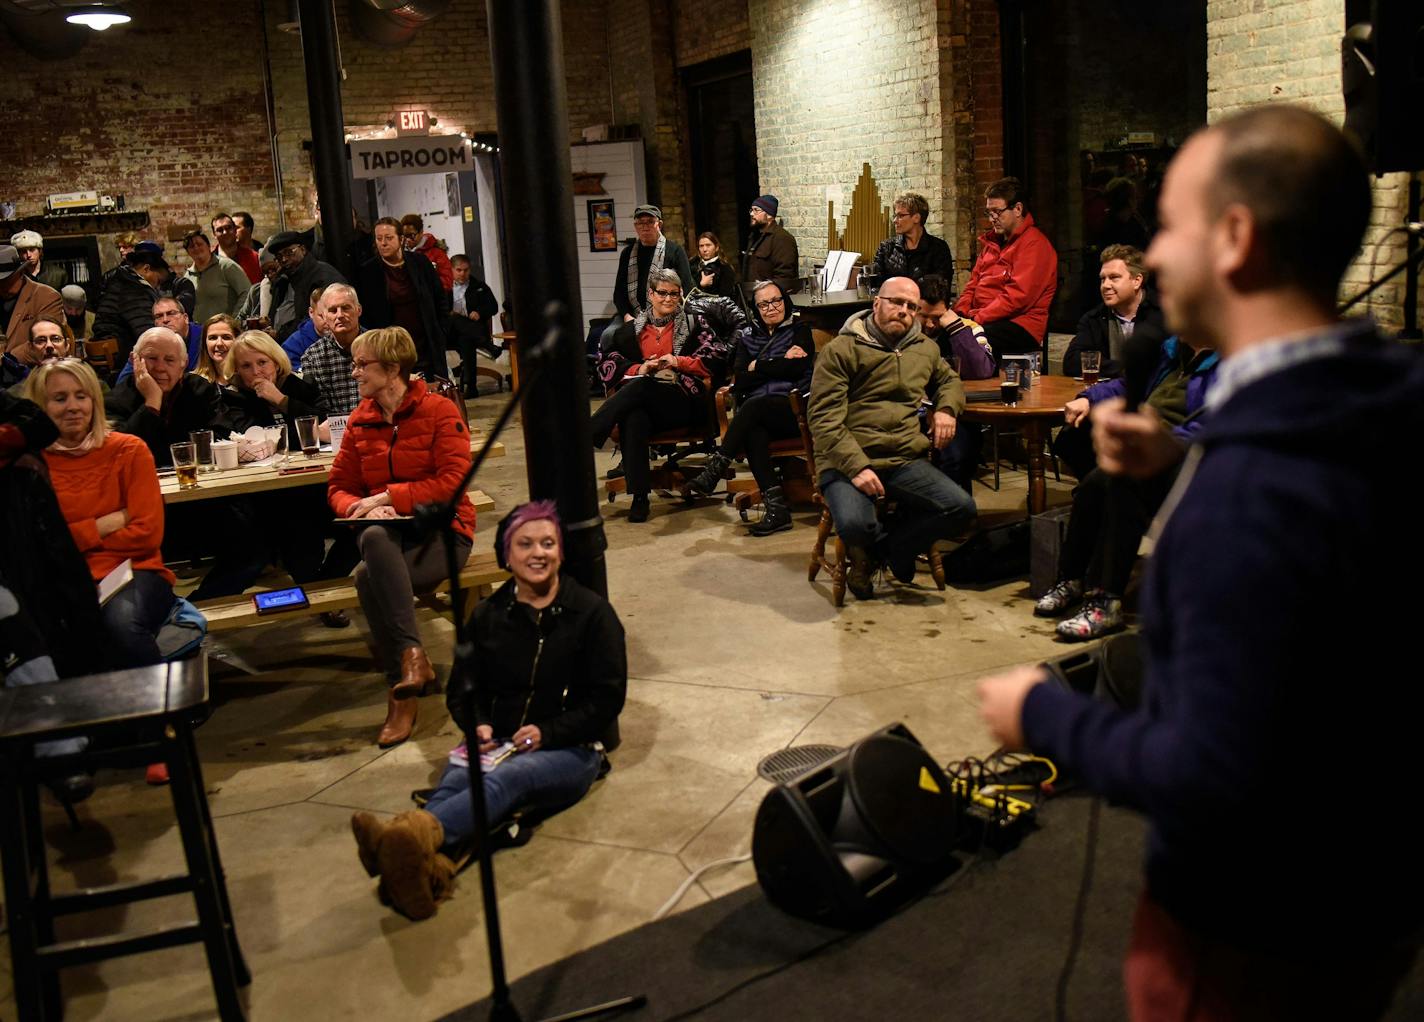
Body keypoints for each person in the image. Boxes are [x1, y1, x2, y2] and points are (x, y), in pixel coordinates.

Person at [978, 105, 1424, 1019]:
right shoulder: (1382, 398)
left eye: (1169, 226)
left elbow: (1211, 776)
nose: (1150, 255)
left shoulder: (1251, 497)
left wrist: (1045, 719)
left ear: (1233, 238)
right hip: (1370, 896)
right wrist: (1181, 458)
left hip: (1252, 936)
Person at [349, 500, 626, 921]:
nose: (538, 553)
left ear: (561, 552)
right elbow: (463, 689)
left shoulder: (591, 614)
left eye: (548, 543)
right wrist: (476, 722)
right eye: (525, 544)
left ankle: (399, 838)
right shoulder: (487, 616)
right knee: (452, 790)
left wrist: (548, 733)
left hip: (571, 750)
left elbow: (606, 699)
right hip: (493, 741)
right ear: (507, 555)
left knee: (502, 783)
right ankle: (421, 877)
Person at [327, 327, 477, 748]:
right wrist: (357, 507)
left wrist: (391, 497)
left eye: (362, 365)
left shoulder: (438, 411)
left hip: (444, 535)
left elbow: (452, 482)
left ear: (393, 368)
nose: (354, 372)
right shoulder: (361, 419)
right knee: (373, 536)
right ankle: (410, 669)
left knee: (364, 576)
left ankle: (404, 681)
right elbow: (338, 485)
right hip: (390, 540)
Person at [1037, 333, 1219, 638]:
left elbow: (1213, 423)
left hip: (1190, 458)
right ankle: (1072, 578)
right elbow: (1126, 384)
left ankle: (1105, 601)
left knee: (1123, 483)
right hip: (1149, 445)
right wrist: (1088, 397)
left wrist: (1160, 444)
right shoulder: (1173, 351)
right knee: (1094, 484)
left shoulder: (1230, 361)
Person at [807, 275, 976, 599]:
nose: (903, 311)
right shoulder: (841, 350)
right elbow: (823, 419)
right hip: (845, 461)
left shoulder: (924, 349)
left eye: (911, 306)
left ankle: (883, 553)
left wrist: (946, 410)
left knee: (961, 509)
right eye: (896, 302)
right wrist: (856, 466)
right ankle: (885, 546)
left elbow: (950, 382)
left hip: (901, 458)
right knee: (856, 526)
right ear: (876, 304)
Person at [28, 359, 175, 667]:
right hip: (62, 580)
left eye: (81, 396)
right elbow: (37, 546)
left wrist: (74, 535)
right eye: (59, 398)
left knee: (119, 625)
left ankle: (166, 707)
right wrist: (106, 523)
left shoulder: (129, 450)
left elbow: (147, 535)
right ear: (40, 406)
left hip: (134, 572)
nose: (73, 406)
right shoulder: (30, 466)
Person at [591, 269, 744, 523]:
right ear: (651, 294)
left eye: (674, 294)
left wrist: (678, 361)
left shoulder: (696, 323)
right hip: (646, 402)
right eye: (662, 293)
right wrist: (640, 368)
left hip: (685, 403)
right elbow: (607, 362)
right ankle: (640, 498)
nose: (668, 299)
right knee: (634, 415)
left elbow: (716, 358)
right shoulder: (630, 331)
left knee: (641, 388)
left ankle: (590, 432)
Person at [684, 279, 813, 536]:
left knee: (751, 409)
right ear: (756, 309)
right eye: (763, 304)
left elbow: (796, 368)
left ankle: (717, 466)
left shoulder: (800, 330)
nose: (771, 308)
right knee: (754, 430)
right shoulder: (747, 338)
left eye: (776, 301)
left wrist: (760, 366)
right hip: (760, 413)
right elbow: (740, 380)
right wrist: (778, 363)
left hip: (793, 410)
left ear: (785, 302)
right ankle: (778, 511)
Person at [954, 177, 1058, 359]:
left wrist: (976, 319)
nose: (992, 219)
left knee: (962, 341)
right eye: (989, 212)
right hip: (984, 319)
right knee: (940, 332)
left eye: (997, 212)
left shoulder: (1035, 244)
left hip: (1019, 325)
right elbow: (973, 284)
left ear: (1017, 209)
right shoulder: (991, 243)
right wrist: (960, 314)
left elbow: (1017, 298)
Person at [105, 327, 234, 466]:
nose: (160, 368)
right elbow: (118, 455)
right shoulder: (115, 400)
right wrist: (151, 402)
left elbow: (224, 438)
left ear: (183, 364)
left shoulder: (200, 390)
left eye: (169, 360)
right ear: (134, 360)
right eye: (152, 358)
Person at [915, 274, 994, 493]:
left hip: (955, 410)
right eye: (924, 316)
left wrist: (956, 329)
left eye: (937, 316)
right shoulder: (904, 329)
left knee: (959, 454)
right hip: (912, 411)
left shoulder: (967, 328)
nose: (930, 324)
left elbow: (982, 371)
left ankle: (957, 515)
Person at [357, 218, 450, 378]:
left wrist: (441, 331)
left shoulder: (420, 263)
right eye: (379, 239)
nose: (383, 243)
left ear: (400, 239)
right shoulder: (368, 271)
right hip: (391, 346)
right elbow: (366, 314)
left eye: (389, 238)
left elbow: (439, 298)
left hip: (425, 342)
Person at [1061, 244, 1166, 379]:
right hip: (1107, 394)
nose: (1105, 285)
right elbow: (1072, 363)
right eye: (1103, 279)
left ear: (1136, 281)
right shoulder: (1094, 319)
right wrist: (1124, 369)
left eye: (1114, 277)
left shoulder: (1163, 312)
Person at [605, 205, 694, 351]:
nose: (645, 227)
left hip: (664, 313)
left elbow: (687, 288)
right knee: (608, 335)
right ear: (635, 226)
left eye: (650, 222)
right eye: (641, 223)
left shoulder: (675, 251)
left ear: (659, 224)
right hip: (633, 314)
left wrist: (662, 313)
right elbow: (619, 293)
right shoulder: (627, 253)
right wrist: (627, 316)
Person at [265, 231, 346, 343]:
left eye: (289, 253)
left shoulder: (322, 277)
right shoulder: (283, 279)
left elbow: (316, 321)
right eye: (279, 257)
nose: (284, 259)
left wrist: (280, 335)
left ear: (302, 249)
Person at [301, 283, 366, 417]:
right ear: (324, 316)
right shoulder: (312, 357)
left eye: (346, 308)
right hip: (334, 434)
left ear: (359, 310)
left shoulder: (380, 347)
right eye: (333, 310)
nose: (340, 315)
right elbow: (317, 410)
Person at [91, 244, 164, 361]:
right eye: (158, 280)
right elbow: (146, 332)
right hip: (120, 356)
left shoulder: (119, 281)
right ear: (146, 269)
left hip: (109, 351)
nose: (157, 285)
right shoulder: (133, 288)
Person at [870, 192, 953, 287]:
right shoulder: (886, 248)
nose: (895, 221)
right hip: (893, 301)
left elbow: (941, 287)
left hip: (923, 301)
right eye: (895, 216)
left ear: (916, 218)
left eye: (900, 216)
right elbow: (876, 286)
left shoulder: (938, 248)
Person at [446, 254, 500, 397]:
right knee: (454, 318)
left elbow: (493, 307)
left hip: (471, 331)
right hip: (449, 332)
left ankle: (471, 387)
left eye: (466, 270)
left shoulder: (479, 286)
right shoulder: (444, 287)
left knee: (466, 340)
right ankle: (488, 346)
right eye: (459, 270)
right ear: (451, 269)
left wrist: (479, 312)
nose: (463, 274)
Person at [114, 297, 203, 382]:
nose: (165, 320)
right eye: (159, 316)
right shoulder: (149, 341)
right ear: (154, 323)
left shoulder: (205, 336)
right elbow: (122, 383)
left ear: (186, 318)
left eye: (171, 313)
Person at [2, 243, 64, 354]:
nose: (2, 286)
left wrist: (6, 359)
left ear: (20, 274)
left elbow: (46, 343)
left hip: (31, 368)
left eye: (6, 280)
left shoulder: (46, 297)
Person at [183, 229, 251, 321]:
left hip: (227, 328)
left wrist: (235, 319)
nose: (196, 248)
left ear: (208, 246)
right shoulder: (188, 276)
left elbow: (246, 292)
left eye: (199, 244)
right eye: (191, 246)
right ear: (188, 252)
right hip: (202, 331)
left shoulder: (226, 266)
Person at [741, 195, 800, 295]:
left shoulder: (782, 238)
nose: (751, 214)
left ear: (769, 214)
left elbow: (784, 277)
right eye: (751, 210)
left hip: (770, 301)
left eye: (756, 210)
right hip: (752, 299)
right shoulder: (754, 236)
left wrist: (769, 297)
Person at [278, 286, 329, 372]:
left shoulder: (348, 335)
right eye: (322, 316)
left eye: (332, 313)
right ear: (311, 313)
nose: (328, 321)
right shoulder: (293, 344)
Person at [399, 214, 453, 294]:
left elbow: (447, 283)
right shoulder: (400, 253)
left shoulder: (437, 253)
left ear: (421, 232)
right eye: (404, 236)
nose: (407, 240)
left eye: (411, 235)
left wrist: (423, 283)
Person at [210, 212, 261, 284]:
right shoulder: (209, 261)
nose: (225, 232)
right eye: (220, 230)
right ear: (214, 234)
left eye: (228, 228)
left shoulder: (254, 258)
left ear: (235, 230)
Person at [235, 248, 280, 326]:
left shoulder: (291, 289)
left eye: (273, 269)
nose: (270, 275)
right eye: (266, 272)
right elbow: (239, 320)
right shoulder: (256, 291)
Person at [691, 231, 740, 300]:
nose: (704, 249)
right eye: (701, 246)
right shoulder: (692, 265)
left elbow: (726, 296)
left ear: (716, 247)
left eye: (708, 245)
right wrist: (701, 285)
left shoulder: (725, 268)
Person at [193, 314, 239, 386]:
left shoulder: (248, 380)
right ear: (205, 343)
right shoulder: (194, 383)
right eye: (213, 338)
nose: (219, 343)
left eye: (226, 337)